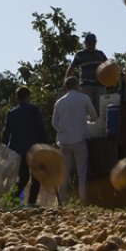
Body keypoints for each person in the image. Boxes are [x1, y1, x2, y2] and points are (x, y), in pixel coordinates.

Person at [52, 76, 96, 205]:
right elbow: (94, 116)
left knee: (64, 172)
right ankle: (83, 200)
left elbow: (54, 123)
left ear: (65, 87)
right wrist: (86, 119)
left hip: (64, 141)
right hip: (80, 140)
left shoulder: (59, 102)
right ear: (77, 86)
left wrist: (63, 129)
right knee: (82, 171)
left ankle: (62, 201)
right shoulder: (84, 99)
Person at [1, 85, 48, 205]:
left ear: (18, 98)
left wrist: (4, 147)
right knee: (36, 178)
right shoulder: (33, 109)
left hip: (17, 150)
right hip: (34, 150)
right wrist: (46, 144)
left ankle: (11, 200)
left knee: (23, 178)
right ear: (27, 96)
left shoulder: (11, 113)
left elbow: (7, 133)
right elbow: (40, 129)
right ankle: (31, 203)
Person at [64, 32, 108, 111]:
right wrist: (66, 82)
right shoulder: (80, 54)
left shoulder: (100, 54)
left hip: (100, 85)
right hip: (86, 86)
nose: (91, 44)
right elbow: (72, 67)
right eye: (89, 42)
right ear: (85, 43)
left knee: (102, 109)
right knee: (87, 109)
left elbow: (108, 67)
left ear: (95, 42)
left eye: (93, 42)